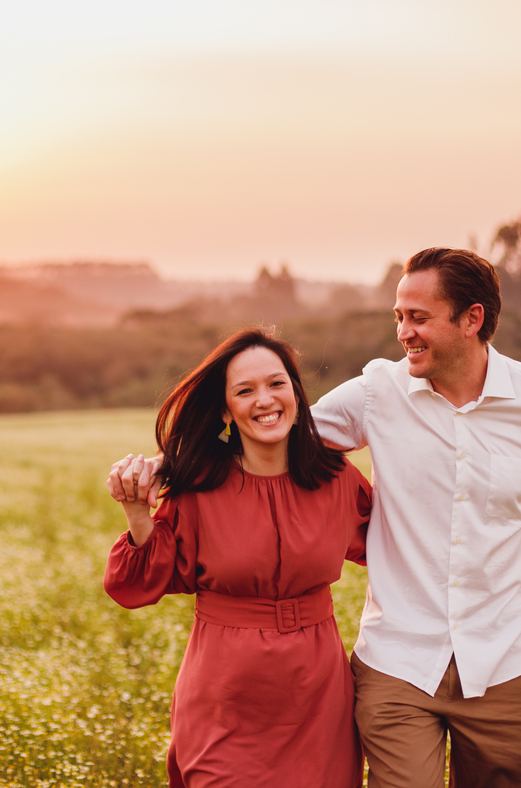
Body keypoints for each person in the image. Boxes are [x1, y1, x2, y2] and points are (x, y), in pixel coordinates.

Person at [114, 248, 521, 788]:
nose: (403, 332)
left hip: (506, 657)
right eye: (398, 316)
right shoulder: (378, 393)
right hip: (399, 660)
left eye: (417, 318)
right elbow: (281, 432)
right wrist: (166, 467)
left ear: (472, 319)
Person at [103, 327, 372, 788]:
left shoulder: (337, 478)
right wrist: (136, 510)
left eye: (276, 384)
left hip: (318, 696)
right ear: (226, 409)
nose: (264, 400)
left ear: (296, 392)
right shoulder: (199, 486)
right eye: (245, 391)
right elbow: (145, 580)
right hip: (224, 699)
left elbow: (398, 543)